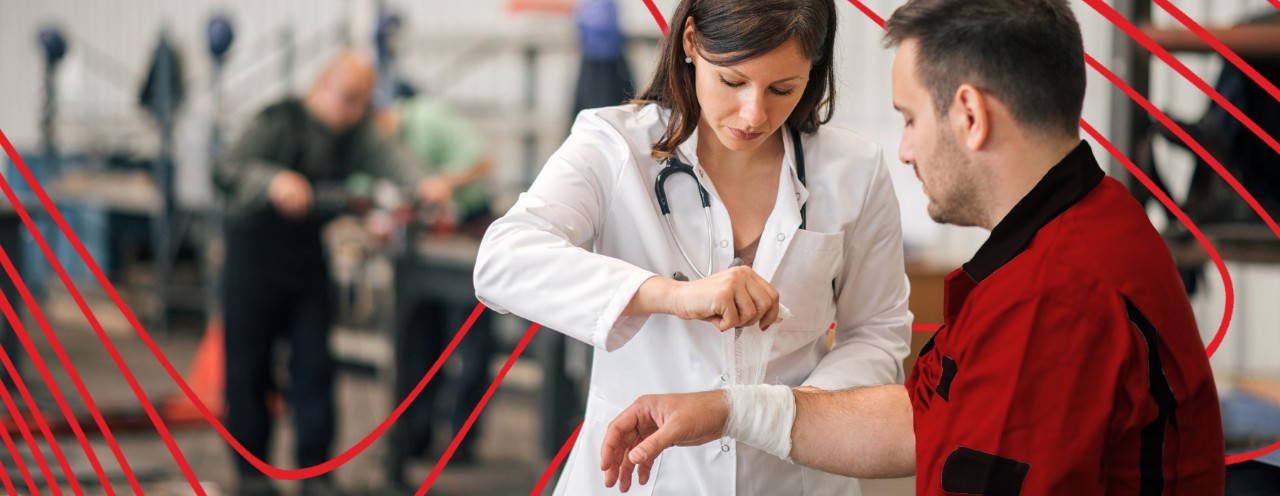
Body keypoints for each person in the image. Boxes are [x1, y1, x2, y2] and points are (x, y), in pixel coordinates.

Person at [599, 1, 1227, 494]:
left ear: (970, 115)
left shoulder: (1052, 300)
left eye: (908, 118)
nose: (902, 150)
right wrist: (728, 411)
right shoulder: (1089, 226)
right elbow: (924, 421)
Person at [473, 0, 912, 493]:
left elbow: (876, 333)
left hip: (791, 477)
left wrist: (785, 417)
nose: (754, 113)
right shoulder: (614, 144)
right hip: (641, 475)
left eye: (782, 89)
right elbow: (503, 260)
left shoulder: (853, 169)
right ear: (690, 42)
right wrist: (671, 295)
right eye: (732, 82)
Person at [213, 51, 444, 496]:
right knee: (248, 372)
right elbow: (226, 168)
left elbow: (392, 158)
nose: (354, 111)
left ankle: (315, 475)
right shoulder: (277, 121)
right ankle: (250, 476)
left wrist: (426, 183)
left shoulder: (353, 132)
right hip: (253, 263)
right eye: (348, 99)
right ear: (322, 85)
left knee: (315, 368)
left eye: (362, 102)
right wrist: (274, 182)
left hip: (305, 266)